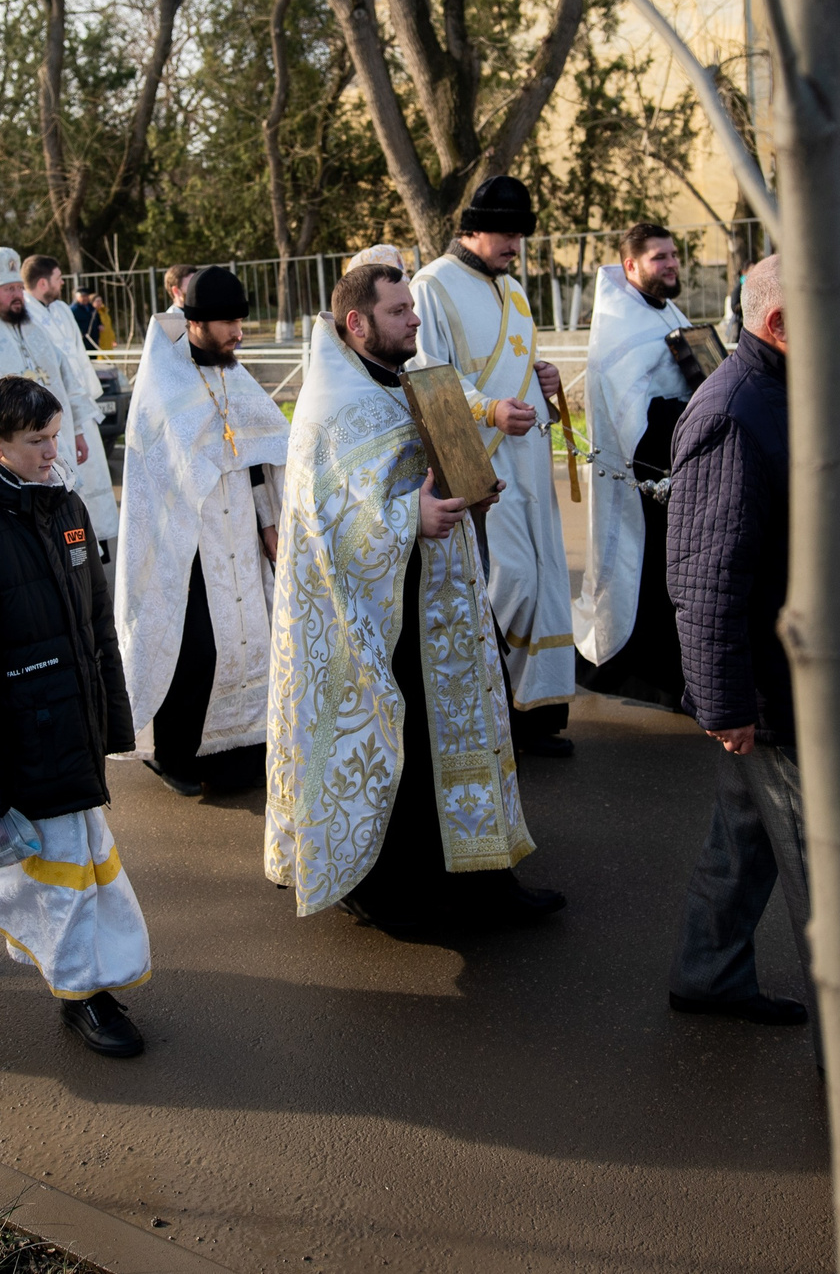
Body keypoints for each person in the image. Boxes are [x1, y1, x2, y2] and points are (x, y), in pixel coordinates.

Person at [265, 263, 558, 934]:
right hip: (375, 619)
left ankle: (487, 879)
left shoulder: (415, 377)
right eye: (400, 311)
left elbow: (435, 459)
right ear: (357, 323)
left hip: (442, 600)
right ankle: (395, 896)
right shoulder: (330, 404)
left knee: (467, 733)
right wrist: (407, 520)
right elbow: (324, 525)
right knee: (404, 751)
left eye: (411, 309)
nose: (415, 319)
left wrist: (474, 480)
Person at [666, 253, 840, 1029]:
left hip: (812, 671)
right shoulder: (735, 411)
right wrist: (725, 702)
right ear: (780, 324)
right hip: (786, 688)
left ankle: (709, 971)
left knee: (743, 839)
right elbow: (707, 578)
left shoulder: (795, 391)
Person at [0, 375, 149, 1058]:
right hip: (24, 734)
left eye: (54, 435)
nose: (53, 451)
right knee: (67, 869)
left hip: (71, 721)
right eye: (36, 441)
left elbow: (94, 622)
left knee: (40, 860)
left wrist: (111, 714)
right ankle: (83, 994)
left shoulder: (64, 505)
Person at [410, 175, 577, 755]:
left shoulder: (514, 289)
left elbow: (519, 363)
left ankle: (533, 716)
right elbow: (428, 371)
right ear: (471, 229)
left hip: (527, 455)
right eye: (505, 233)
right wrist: (489, 408)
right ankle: (489, 711)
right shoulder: (431, 285)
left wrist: (544, 379)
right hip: (479, 463)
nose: (514, 244)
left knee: (544, 578)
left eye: (520, 234)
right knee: (508, 583)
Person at [115, 266, 286, 797]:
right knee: (193, 650)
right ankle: (175, 755)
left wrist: (271, 521)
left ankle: (245, 749)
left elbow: (263, 457)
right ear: (195, 322)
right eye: (228, 323)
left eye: (241, 321)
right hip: (186, 539)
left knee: (250, 637)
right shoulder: (163, 383)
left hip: (239, 532)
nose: (238, 333)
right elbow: (160, 473)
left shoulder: (235, 374)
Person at [574, 225, 695, 710]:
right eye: (658, 257)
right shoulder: (621, 324)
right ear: (631, 266)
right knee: (649, 575)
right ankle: (654, 680)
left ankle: (683, 673)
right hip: (643, 471)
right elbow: (632, 417)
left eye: (673, 255)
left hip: (676, 458)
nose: (670, 264)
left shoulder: (663, 309)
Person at [0, 248, 119, 541]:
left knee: (64, 528)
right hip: (13, 462)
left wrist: (76, 432)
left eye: (18, 288)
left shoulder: (36, 331)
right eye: (7, 289)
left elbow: (68, 382)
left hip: (55, 449)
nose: (16, 295)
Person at [22, 253, 123, 540]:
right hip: (55, 412)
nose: (63, 283)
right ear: (43, 283)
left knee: (93, 474)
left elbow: (77, 354)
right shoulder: (27, 316)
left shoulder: (63, 310)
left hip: (79, 405)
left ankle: (96, 540)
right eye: (58, 279)